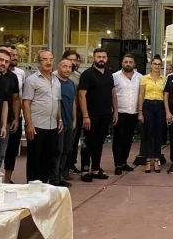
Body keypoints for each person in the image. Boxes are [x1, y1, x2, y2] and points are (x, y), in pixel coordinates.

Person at [22, 50, 62, 184]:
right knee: (35, 158)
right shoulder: (32, 80)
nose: (48, 62)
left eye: (51, 59)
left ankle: (44, 184)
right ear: (39, 62)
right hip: (36, 125)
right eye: (45, 59)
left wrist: (59, 119)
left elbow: (57, 101)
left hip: (52, 125)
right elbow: (26, 102)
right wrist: (29, 124)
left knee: (48, 157)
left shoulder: (56, 80)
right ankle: (32, 185)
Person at [78, 48, 118, 182]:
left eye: (104, 57)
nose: (101, 59)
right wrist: (85, 116)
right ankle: (84, 171)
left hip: (105, 114)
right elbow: (82, 96)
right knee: (88, 143)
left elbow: (113, 92)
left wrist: (115, 111)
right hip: (90, 115)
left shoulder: (109, 74)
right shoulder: (87, 74)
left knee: (99, 143)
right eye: (99, 57)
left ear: (107, 58)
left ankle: (95, 169)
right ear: (93, 58)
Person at [112, 54, 142, 175]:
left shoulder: (140, 77)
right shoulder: (115, 76)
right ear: (122, 63)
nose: (128, 64)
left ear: (134, 64)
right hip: (119, 112)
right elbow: (111, 94)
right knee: (118, 139)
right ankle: (117, 164)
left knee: (128, 139)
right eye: (126, 62)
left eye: (130, 62)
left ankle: (124, 162)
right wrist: (114, 111)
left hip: (133, 112)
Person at [58, 50, 84, 179]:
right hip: (59, 120)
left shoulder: (77, 78)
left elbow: (75, 100)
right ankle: (56, 176)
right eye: (69, 60)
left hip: (72, 116)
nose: (72, 64)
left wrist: (75, 119)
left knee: (69, 147)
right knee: (58, 149)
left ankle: (66, 170)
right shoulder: (55, 78)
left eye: (75, 60)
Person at [138, 55, 166, 173]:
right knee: (148, 133)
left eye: (159, 64)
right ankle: (148, 161)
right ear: (151, 65)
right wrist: (140, 112)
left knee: (158, 133)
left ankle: (156, 160)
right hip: (148, 106)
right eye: (155, 64)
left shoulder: (164, 79)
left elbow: (166, 96)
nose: (157, 66)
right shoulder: (144, 78)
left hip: (160, 106)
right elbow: (141, 95)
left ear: (161, 66)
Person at [4, 45, 25, 184]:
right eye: (12, 54)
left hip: (15, 115)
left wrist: (17, 117)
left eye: (16, 55)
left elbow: (19, 96)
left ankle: (7, 179)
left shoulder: (20, 74)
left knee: (12, 149)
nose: (15, 57)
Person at [53, 59, 75, 187]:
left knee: (66, 150)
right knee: (58, 151)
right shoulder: (55, 82)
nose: (67, 69)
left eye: (70, 67)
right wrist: (59, 119)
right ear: (58, 67)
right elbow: (56, 102)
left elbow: (73, 102)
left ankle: (60, 176)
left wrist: (74, 120)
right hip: (58, 123)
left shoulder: (71, 83)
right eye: (64, 66)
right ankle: (54, 178)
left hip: (69, 122)